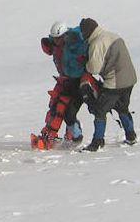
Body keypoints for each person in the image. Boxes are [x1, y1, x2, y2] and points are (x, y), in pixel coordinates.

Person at [31, 20, 95, 150]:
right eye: (54, 38)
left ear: (65, 35)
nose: (56, 41)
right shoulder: (56, 45)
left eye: (58, 38)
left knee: (67, 112)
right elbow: (50, 49)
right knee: (54, 108)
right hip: (64, 81)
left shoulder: (76, 44)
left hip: (78, 83)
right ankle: (50, 135)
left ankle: (75, 136)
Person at [79, 18, 138, 152]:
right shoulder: (112, 35)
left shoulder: (96, 43)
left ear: (87, 31)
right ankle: (131, 135)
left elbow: (93, 68)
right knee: (122, 107)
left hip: (115, 82)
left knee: (100, 110)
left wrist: (85, 63)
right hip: (130, 79)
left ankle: (97, 142)